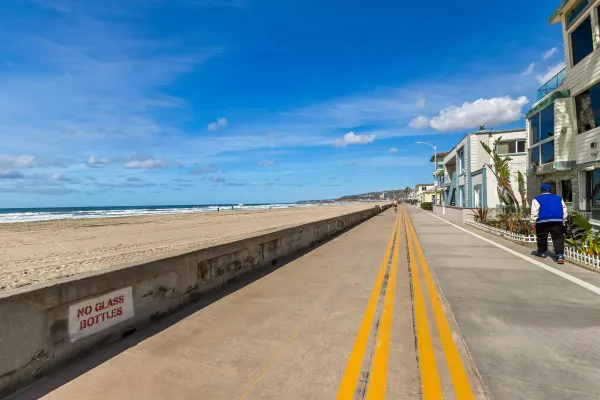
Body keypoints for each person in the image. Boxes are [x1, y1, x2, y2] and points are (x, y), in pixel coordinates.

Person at [530, 183, 567, 264]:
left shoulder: (537, 199)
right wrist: (563, 221)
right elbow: (564, 210)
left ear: (541, 190)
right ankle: (560, 255)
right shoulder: (559, 198)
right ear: (550, 190)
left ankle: (542, 253)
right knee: (558, 238)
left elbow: (534, 212)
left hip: (542, 221)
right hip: (557, 221)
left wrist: (533, 223)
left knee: (542, 236)